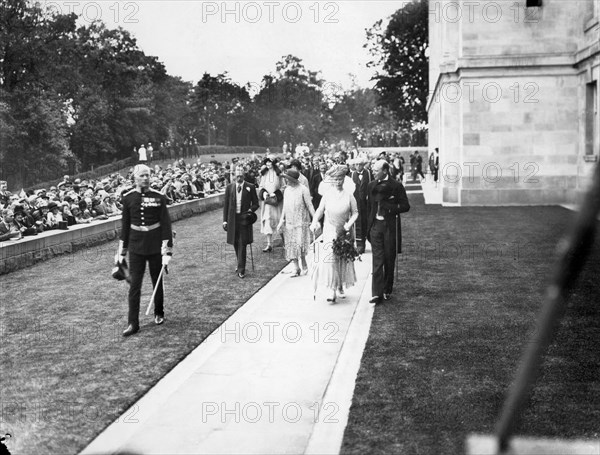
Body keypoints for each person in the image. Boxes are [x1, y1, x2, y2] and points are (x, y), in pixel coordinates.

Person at [118, 164, 173, 337]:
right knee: (134, 286)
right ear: (135, 177)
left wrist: (168, 252)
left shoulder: (159, 197)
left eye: (148, 175)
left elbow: (166, 225)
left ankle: (159, 312)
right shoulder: (128, 198)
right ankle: (133, 323)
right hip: (136, 247)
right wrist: (121, 253)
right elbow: (125, 227)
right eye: (142, 175)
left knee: (157, 280)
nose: (145, 178)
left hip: (155, 245)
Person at [310, 165, 359, 302]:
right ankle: (332, 289)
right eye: (335, 179)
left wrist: (349, 224)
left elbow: (355, 212)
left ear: (344, 179)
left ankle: (340, 285)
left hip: (344, 230)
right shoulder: (327, 195)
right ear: (331, 180)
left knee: (342, 259)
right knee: (330, 259)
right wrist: (314, 221)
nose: (338, 181)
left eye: (340, 179)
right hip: (330, 229)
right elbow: (320, 210)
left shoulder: (349, 195)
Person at [366, 159, 410, 304]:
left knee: (389, 259)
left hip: (389, 226)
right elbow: (369, 207)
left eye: (376, 170)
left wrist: (390, 207)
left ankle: (387, 289)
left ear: (384, 171)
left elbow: (405, 206)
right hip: (375, 226)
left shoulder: (396, 186)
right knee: (377, 259)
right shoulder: (371, 185)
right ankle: (376, 293)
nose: (373, 172)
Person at [277, 168, 315, 277]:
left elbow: (309, 205)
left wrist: (315, 219)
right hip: (289, 222)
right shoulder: (287, 190)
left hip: (301, 221)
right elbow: (284, 207)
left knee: (300, 244)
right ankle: (295, 267)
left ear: (293, 180)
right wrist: (281, 221)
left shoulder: (303, 189)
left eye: (288, 179)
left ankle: (303, 262)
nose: (286, 181)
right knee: (290, 245)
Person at [223, 165, 259, 279]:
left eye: (241, 175)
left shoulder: (250, 187)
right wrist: (225, 221)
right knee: (235, 242)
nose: (239, 177)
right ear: (234, 176)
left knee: (242, 243)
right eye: (237, 175)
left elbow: (256, 203)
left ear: (244, 175)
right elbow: (226, 205)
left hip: (244, 219)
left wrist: (250, 210)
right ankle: (239, 263)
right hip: (233, 219)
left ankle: (241, 269)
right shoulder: (229, 188)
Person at [258, 157, 284, 252]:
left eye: (270, 162)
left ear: (273, 163)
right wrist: (264, 193)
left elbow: (283, 186)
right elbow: (261, 186)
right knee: (267, 220)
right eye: (267, 162)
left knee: (279, 221)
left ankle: (284, 240)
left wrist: (276, 193)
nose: (268, 164)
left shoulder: (278, 173)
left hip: (277, 202)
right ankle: (269, 244)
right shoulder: (264, 174)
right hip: (267, 202)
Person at [351, 157, 372, 254]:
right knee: (358, 222)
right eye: (356, 165)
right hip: (356, 202)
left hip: (366, 202)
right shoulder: (352, 175)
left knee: (366, 221)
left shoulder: (368, 173)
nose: (358, 166)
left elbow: (372, 185)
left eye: (360, 164)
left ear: (363, 165)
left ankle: (366, 241)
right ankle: (360, 245)